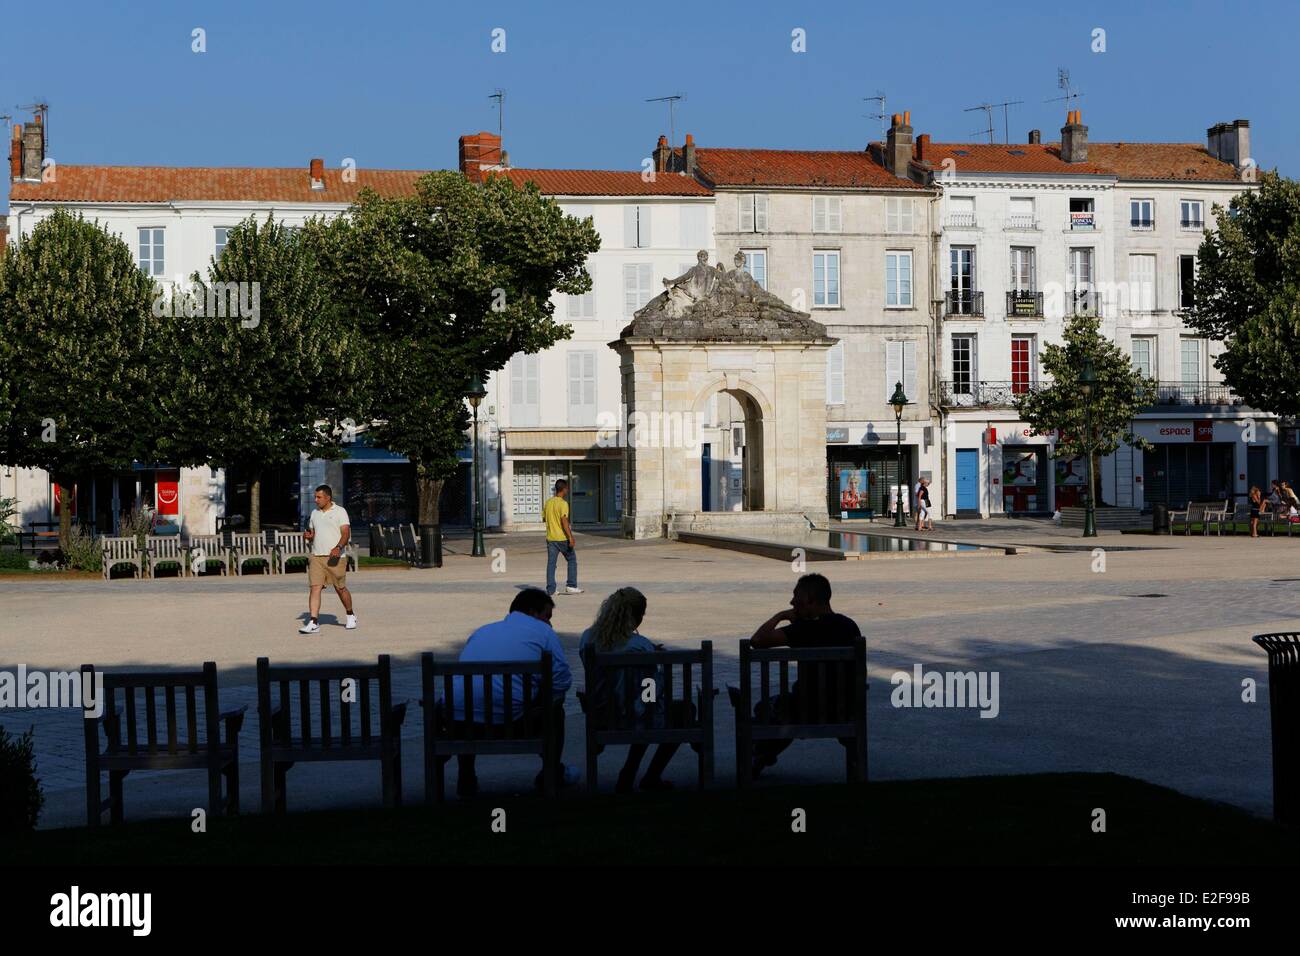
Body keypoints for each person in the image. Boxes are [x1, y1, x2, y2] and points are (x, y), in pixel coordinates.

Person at [449, 588, 580, 796]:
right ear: (532, 612)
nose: (550, 623)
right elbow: (562, 680)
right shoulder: (544, 633)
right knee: (556, 710)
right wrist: (540, 692)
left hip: (459, 724)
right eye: (547, 616)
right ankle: (551, 772)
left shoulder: (482, 631)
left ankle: (466, 775)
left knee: (472, 702)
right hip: (512, 723)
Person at [731, 574, 863, 780]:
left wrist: (780, 616)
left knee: (769, 708)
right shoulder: (850, 626)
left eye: (796, 597)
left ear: (810, 600)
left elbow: (756, 640)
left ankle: (760, 753)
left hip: (803, 710)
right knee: (785, 709)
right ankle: (761, 757)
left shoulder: (803, 629)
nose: (792, 602)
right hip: (844, 710)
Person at [579, 587, 688, 793]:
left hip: (603, 717)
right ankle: (648, 774)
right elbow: (651, 688)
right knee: (678, 710)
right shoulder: (641, 645)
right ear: (636, 617)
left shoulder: (587, 638)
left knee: (642, 710)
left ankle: (630, 770)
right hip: (636, 716)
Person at [299, 484, 355, 634]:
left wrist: (338, 547)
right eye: (315, 497)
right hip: (316, 556)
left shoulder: (340, 511)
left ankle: (350, 614)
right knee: (315, 588)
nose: (316, 500)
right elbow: (313, 534)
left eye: (319, 497)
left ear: (328, 497)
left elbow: (345, 533)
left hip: (335, 557)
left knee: (340, 588)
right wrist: (309, 537)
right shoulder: (314, 513)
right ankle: (313, 622)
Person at [543, 479, 582, 596]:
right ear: (564, 489)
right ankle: (571, 585)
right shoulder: (563, 504)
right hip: (562, 538)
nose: (568, 490)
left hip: (550, 538)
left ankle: (551, 589)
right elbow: (564, 521)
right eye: (567, 488)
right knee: (572, 560)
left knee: (551, 564)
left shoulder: (548, 503)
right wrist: (570, 537)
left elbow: (544, 518)